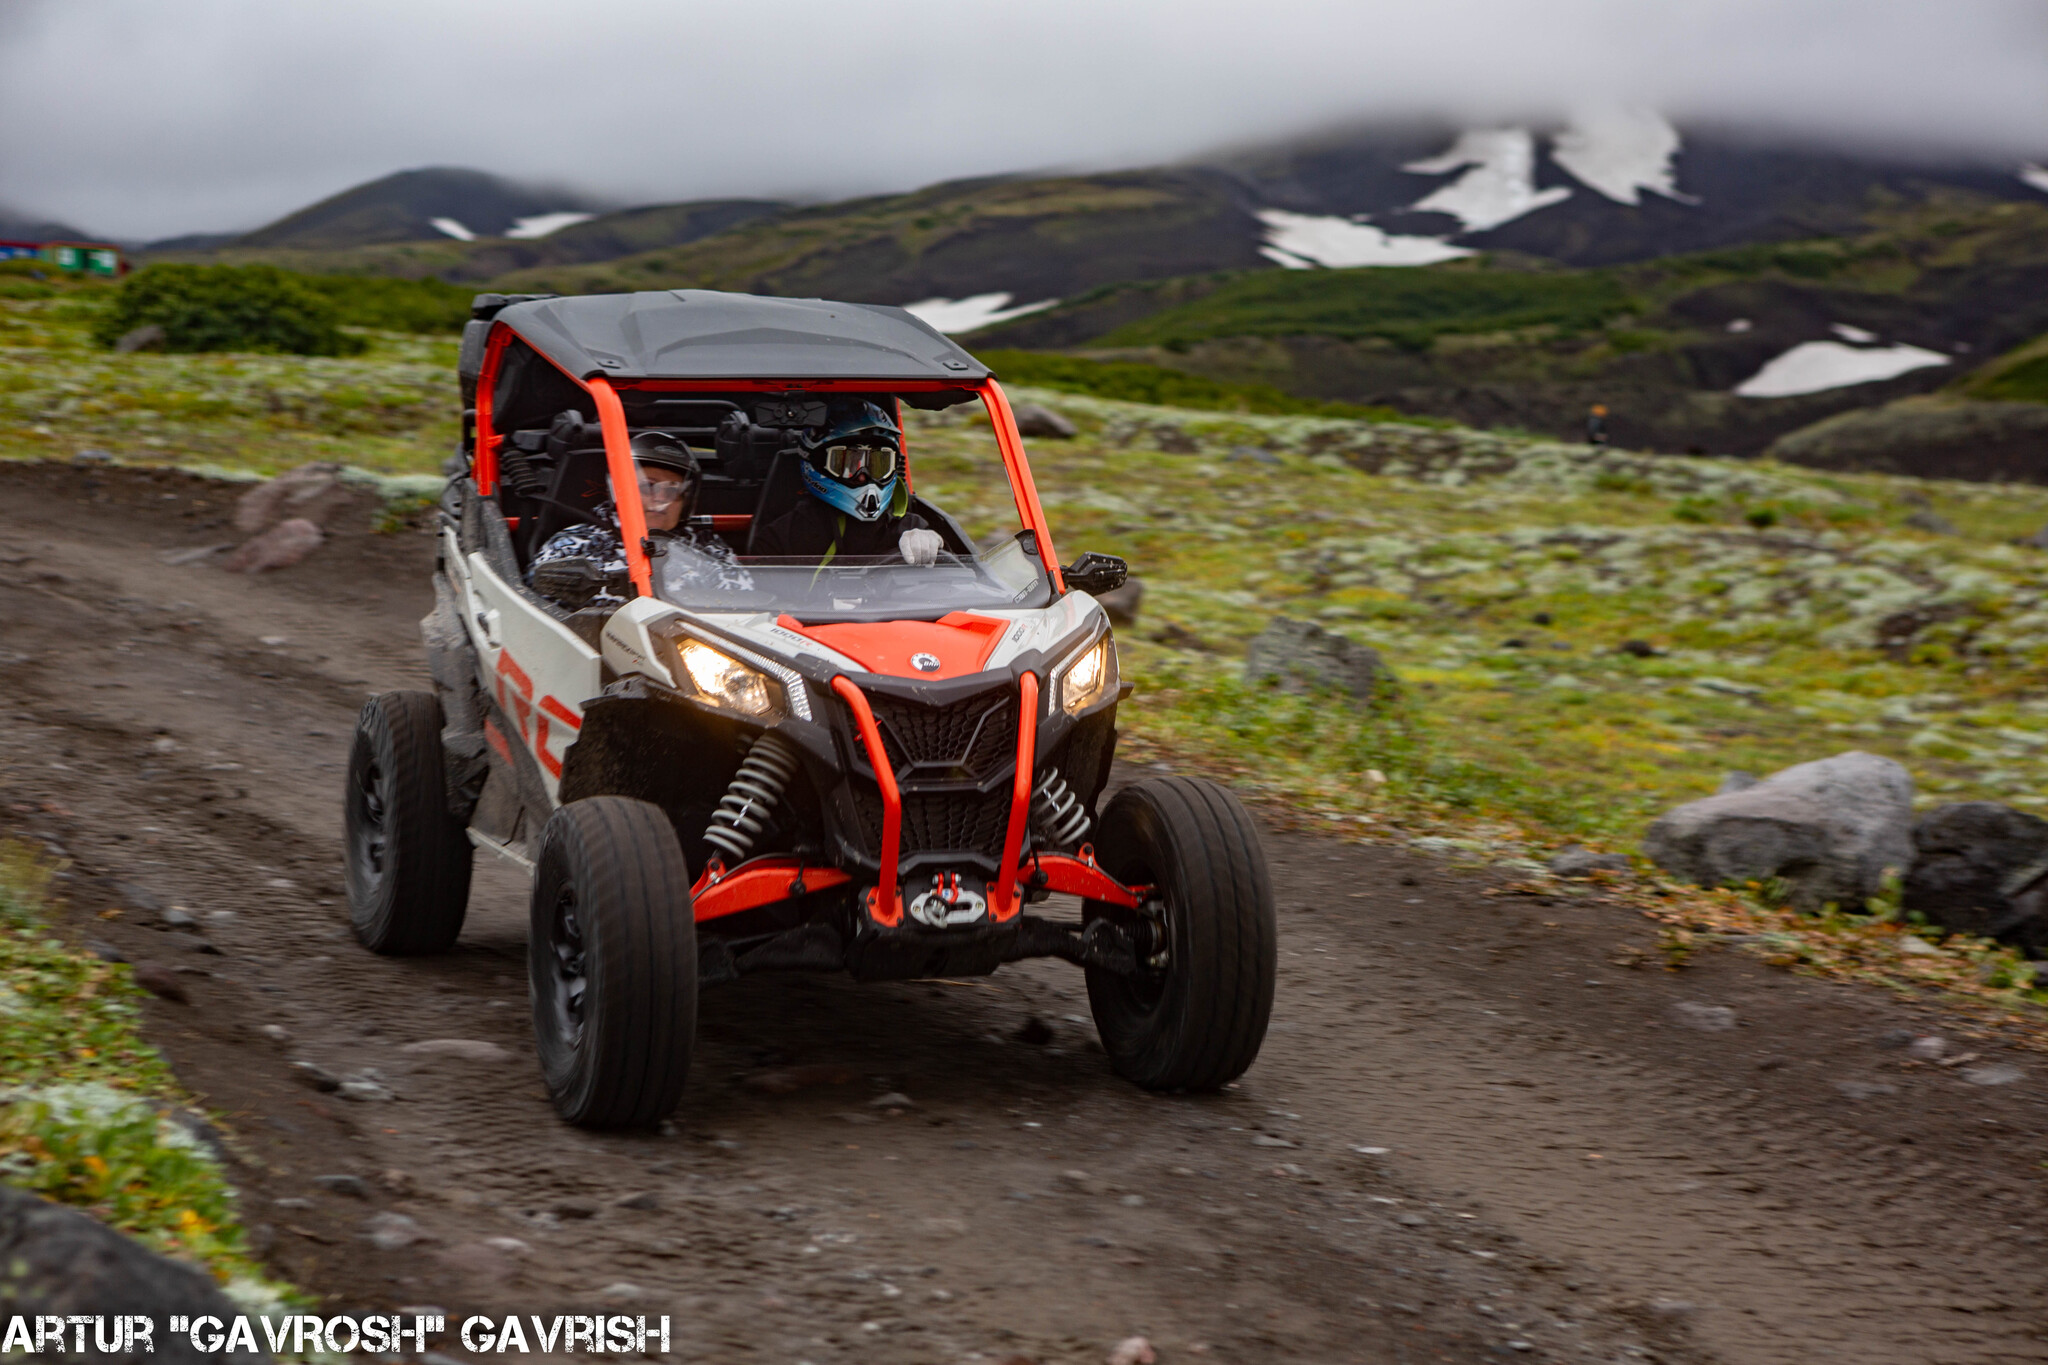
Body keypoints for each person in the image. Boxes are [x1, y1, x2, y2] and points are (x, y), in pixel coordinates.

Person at [527, 430, 751, 609]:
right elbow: (539, 616)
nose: (660, 499)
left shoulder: (708, 548)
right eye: (648, 487)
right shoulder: (575, 545)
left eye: (672, 490)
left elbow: (743, 605)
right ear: (620, 489)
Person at [749, 400, 945, 565]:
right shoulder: (782, 537)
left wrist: (933, 543)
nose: (863, 476)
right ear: (817, 462)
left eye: (878, 464)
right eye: (848, 464)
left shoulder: (909, 526)